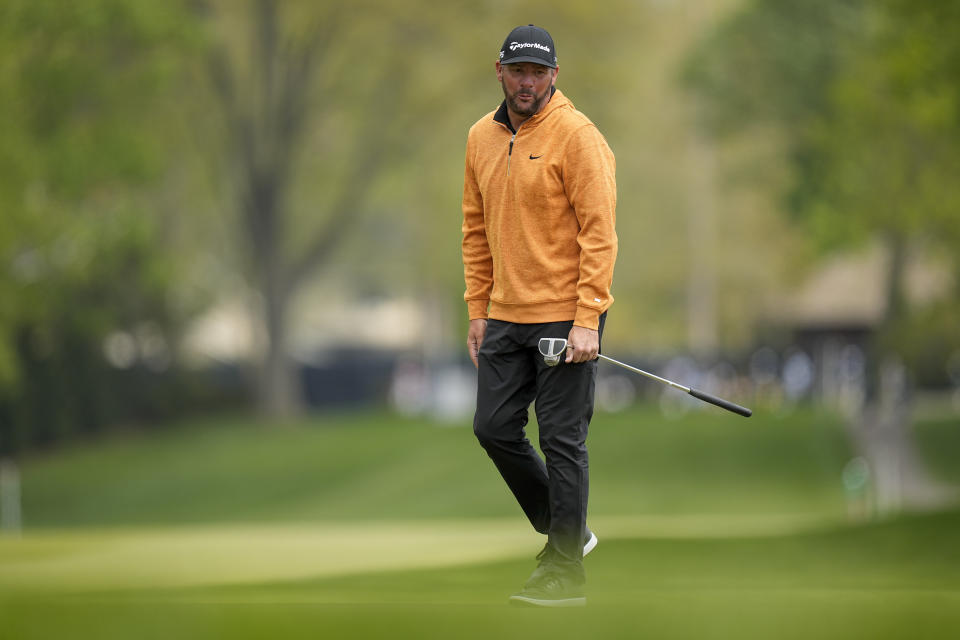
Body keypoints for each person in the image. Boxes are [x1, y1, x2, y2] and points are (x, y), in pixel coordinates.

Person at [461, 24, 618, 607]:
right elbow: (475, 230)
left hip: (565, 316)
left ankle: (563, 572)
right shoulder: (480, 136)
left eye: (538, 72)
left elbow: (600, 235)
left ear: (555, 76)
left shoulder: (578, 137)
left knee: (561, 439)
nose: (527, 82)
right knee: (493, 428)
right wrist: (478, 309)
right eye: (518, 71)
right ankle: (569, 528)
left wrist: (587, 317)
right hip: (504, 314)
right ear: (499, 71)